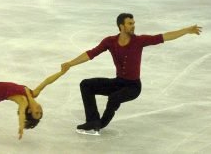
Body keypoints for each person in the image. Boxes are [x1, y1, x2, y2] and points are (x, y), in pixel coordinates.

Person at [61, 13, 202, 135]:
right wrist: (70, 63)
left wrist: (186, 30)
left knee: (114, 98)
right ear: (121, 26)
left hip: (133, 87)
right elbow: (91, 53)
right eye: (130, 23)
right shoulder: (110, 41)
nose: (133, 26)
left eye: (134, 23)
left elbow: (164, 37)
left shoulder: (139, 41)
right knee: (86, 85)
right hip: (118, 82)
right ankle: (92, 121)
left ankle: (101, 124)